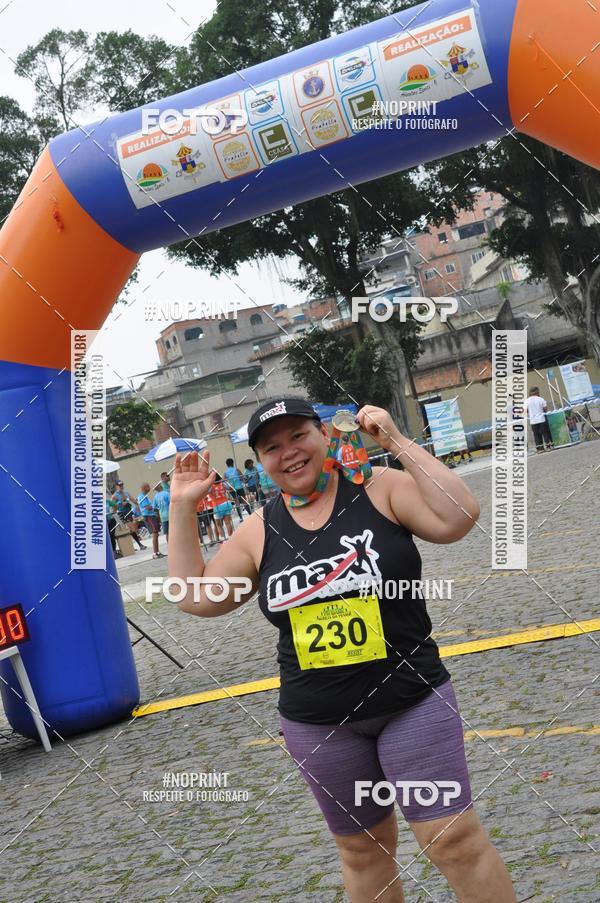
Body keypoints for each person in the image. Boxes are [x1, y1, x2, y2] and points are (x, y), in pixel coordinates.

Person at [169, 396, 516, 903]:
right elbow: (195, 598)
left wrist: (396, 443)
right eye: (271, 447)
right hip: (320, 723)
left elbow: (458, 516)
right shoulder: (258, 530)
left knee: (452, 840)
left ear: (324, 435)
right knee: (361, 851)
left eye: (298, 436)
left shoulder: (378, 487)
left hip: (410, 703)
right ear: (260, 461)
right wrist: (181, 505)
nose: (288, 452)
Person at [113, 481, 146, 551]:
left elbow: (133, 500)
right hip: (121, 513)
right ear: (116, 486)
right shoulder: (115, 495)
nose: (121, 486)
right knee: (130, 529)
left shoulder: (126, 493)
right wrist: (120, 504)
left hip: (128, 512)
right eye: (120, 485)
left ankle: (135, 545)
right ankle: (139, 545)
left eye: (122, 485)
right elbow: (112, 506)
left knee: (131, 529)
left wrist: (138, 505)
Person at [138, 482, 163, 558]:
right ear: (144, 488)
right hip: (149, 516)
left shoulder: (145, 496)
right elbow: (148, 508)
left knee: (156, 533)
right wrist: (155, 506)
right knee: (155, 533)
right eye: (148, 486)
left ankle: (157, 551)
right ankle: (156, 553)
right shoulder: (142, 497)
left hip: (151, 516)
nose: (149, 488)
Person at [525, 387, 554, 452]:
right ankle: (548, 446)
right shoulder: (541, 399)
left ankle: (540, 448)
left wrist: (531, 411)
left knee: (536, 435)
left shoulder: (527, 401)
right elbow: (545, 409)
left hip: (533, 420)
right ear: (537, 392)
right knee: (545, 433)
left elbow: (525, 410)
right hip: (541, 419)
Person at [209, 475, 234, 542]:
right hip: (226, 503)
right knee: (228, 522)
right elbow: (230, 487)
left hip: (217, 506)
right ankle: (231, 538)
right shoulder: (223, 484)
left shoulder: (211, 486)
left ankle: (223, 539)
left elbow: (206, 491)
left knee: (218, 525)